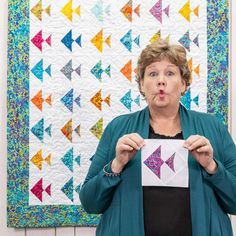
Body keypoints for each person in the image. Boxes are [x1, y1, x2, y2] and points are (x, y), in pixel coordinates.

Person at [79, 39, 236, 236]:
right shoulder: (117, 128)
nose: (161, 80)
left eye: (170, 73)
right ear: (142, 85)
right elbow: (89, 202)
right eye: (152, 74)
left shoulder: (212, 127)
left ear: (184, 83)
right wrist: (116, 165)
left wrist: (212, 167)